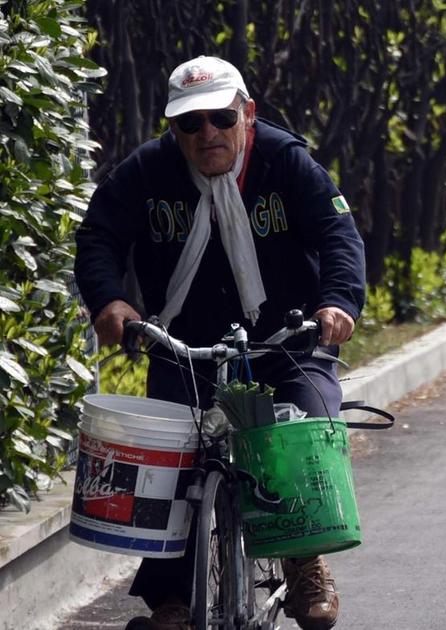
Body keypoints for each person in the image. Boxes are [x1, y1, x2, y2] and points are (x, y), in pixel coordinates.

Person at [75, 56, 365, 630]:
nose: (207, 134)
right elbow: (98, 235)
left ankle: (305, 561)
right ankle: (172, 600)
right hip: (183, 346)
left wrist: (336, 304)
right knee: (171, 473)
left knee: (299, 435)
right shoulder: (148, 171)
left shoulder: (287, 162)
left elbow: (338, 235)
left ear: (247, 114)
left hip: (285, 342)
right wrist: (109, 300)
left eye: (220, 119)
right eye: (190, 124)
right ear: (174, 129)